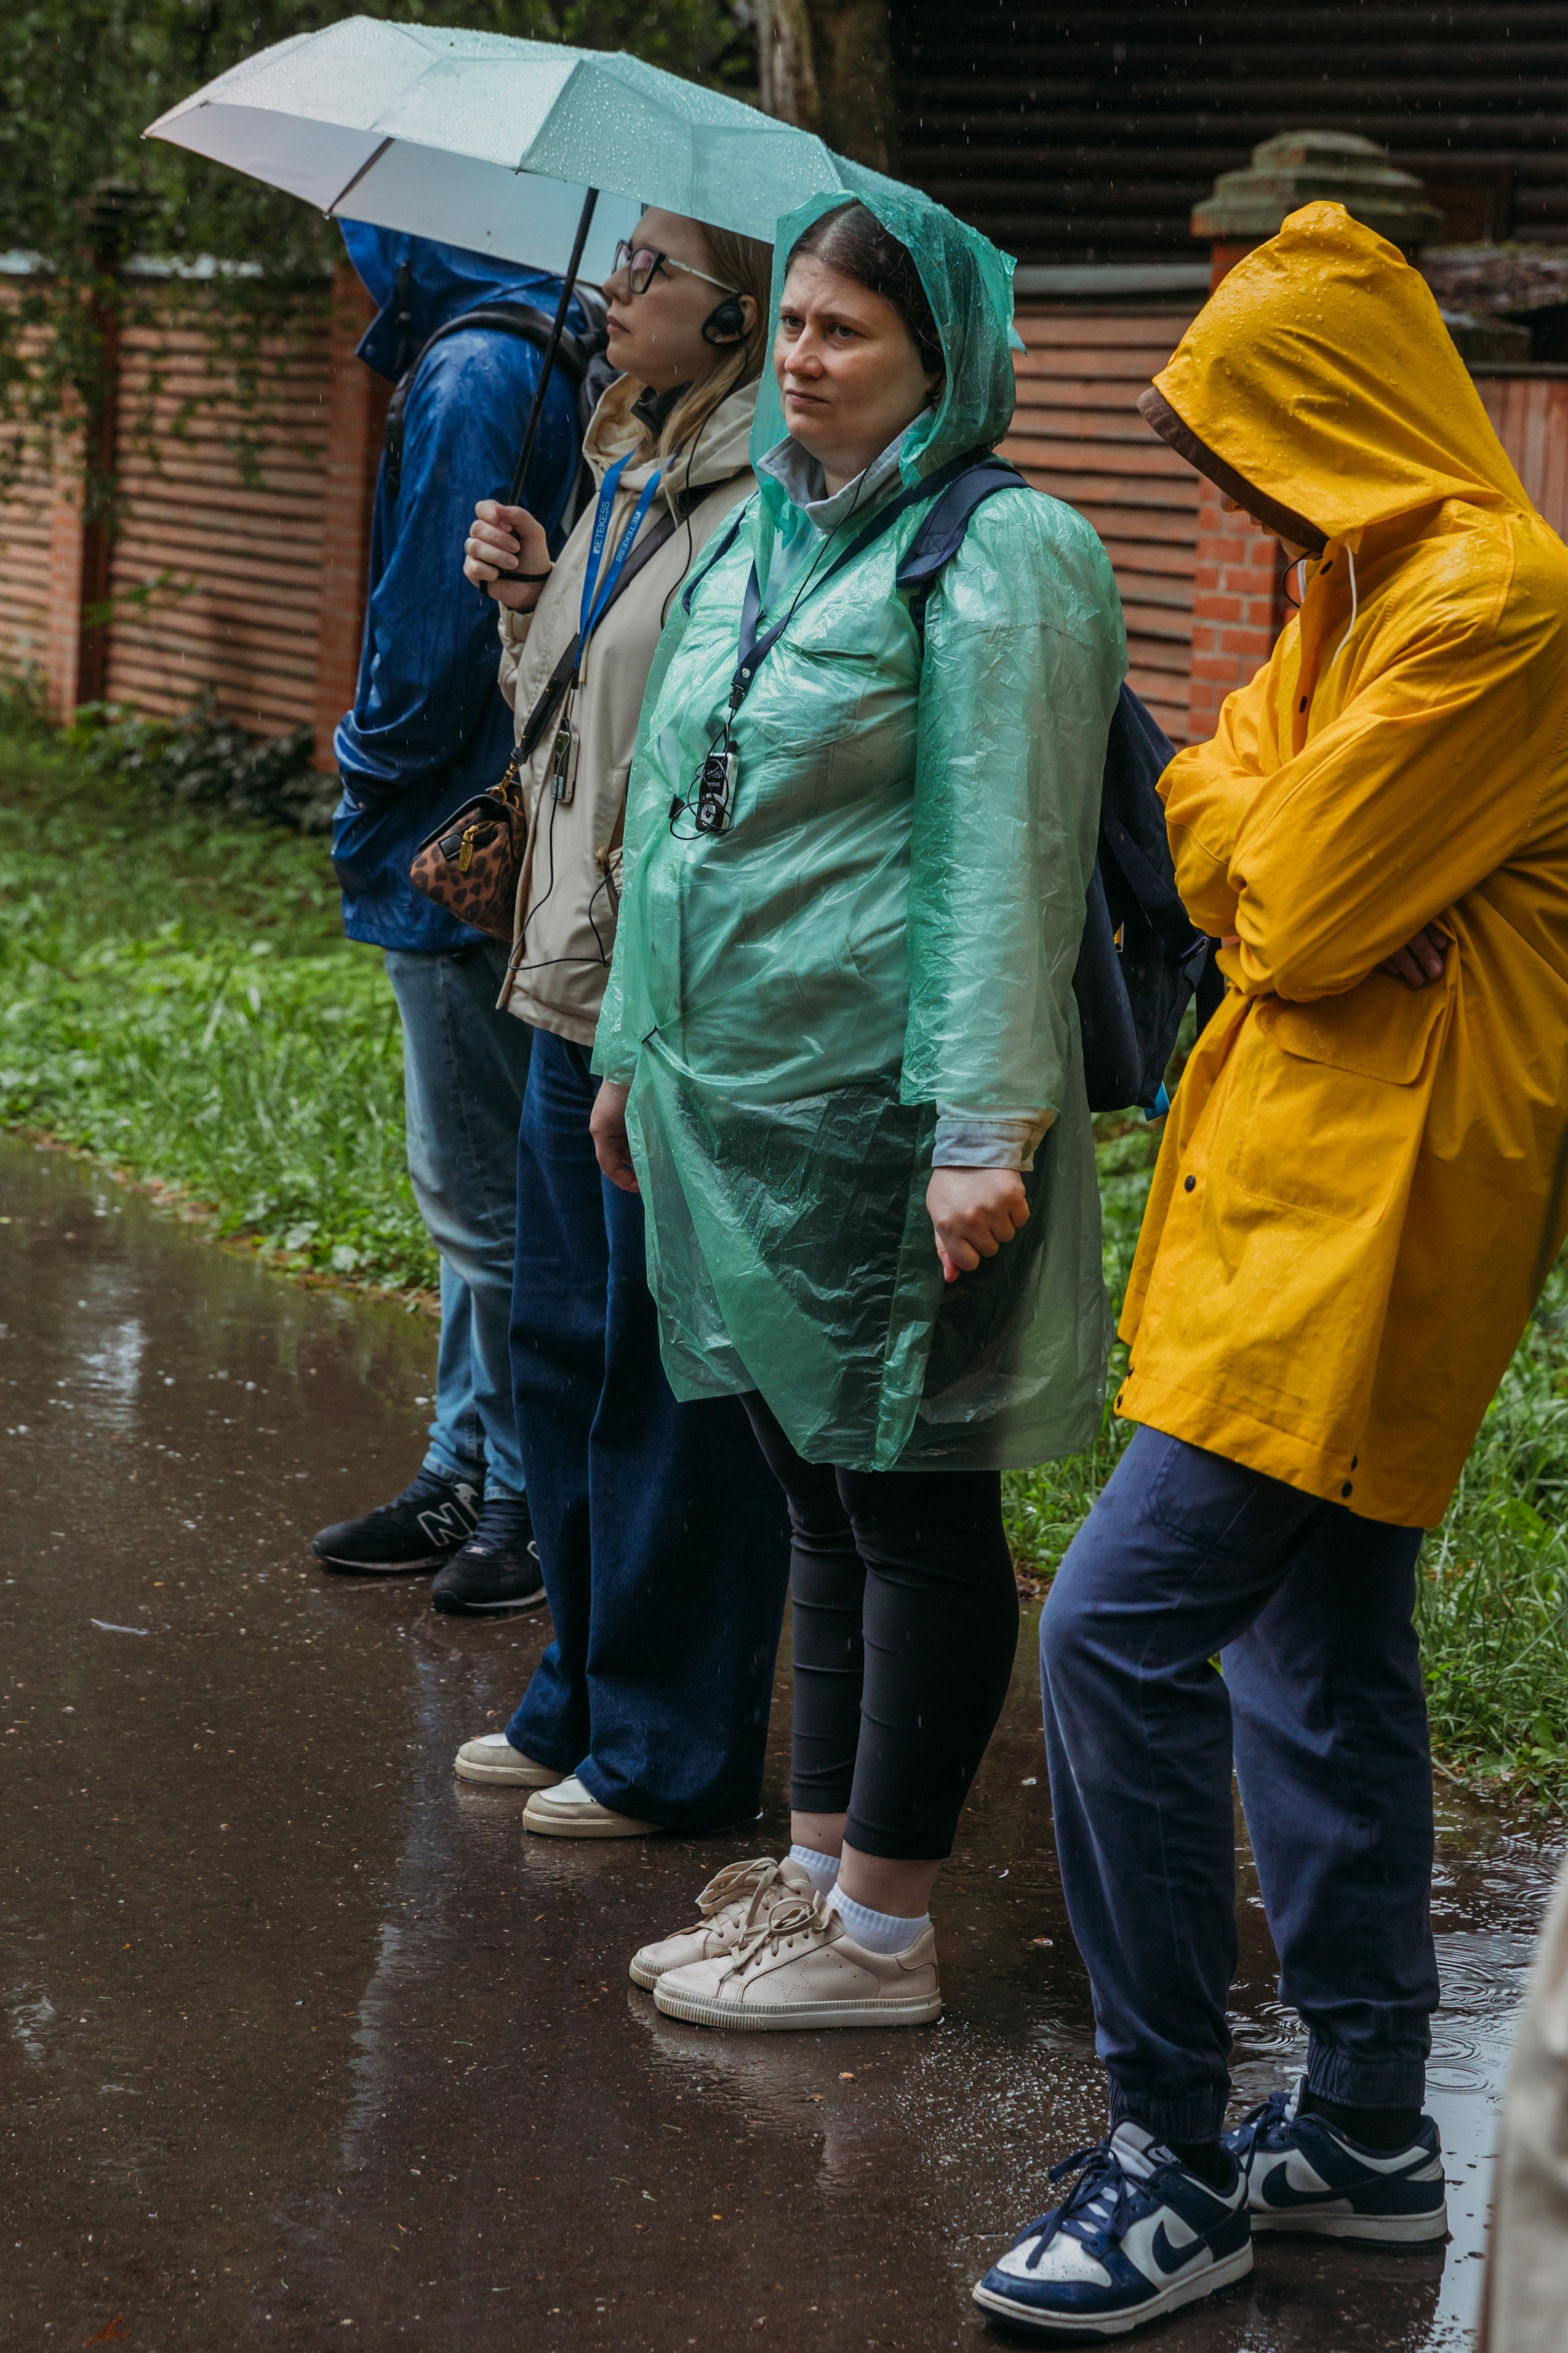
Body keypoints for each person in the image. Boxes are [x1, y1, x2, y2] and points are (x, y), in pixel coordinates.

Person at [973, 200, 1568, 2339]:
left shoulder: (1493, 601)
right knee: (1313, 1658)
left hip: (1379, 1216)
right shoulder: (1363, 592)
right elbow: (1228, 807)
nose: (1240, 499)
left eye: (1254, 445)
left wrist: (1273, 843)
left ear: (1341, 413)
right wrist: (1271, 833)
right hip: (1299, 1197)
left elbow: (1287, 896)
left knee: (1122, 1637)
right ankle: (1374, 2134)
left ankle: (1169, 2152)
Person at [589, 192, 1124, 2019]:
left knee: (911, 1504)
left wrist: (987, 1122)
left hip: (896, 1124)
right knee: (812, 1490)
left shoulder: (1001, 549)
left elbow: (1008, 857)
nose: (803, 358)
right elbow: (676, 809)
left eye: (845, 334)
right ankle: (813, 1874)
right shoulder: (768, 540)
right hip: (739, 1105)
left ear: (940, 361)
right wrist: (624, 1051)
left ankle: (883, 1930)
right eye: (795, 321)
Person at [449, 210, 796, 1835]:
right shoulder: (627, 469)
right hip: (563, 978)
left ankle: (671, 1741)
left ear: (739, 322)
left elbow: (715, 767)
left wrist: (657, 1017)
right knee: (565, 1346)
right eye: (622, 260)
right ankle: (581, 1688)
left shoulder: (755, 508)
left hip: (664, 1003)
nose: (615, 288)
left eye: (653, 271)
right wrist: (530, 606)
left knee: (670, 1377)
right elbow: (576, 730)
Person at [310, 227, 588, 1613]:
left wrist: (363, 769)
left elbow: (426, 645)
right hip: (507, 827)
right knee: (480, 1181)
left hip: (450, 836)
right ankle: (461, 1469)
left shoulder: (477, 368)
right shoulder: (533, 354)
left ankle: (519, 1503)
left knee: (483, 1193)